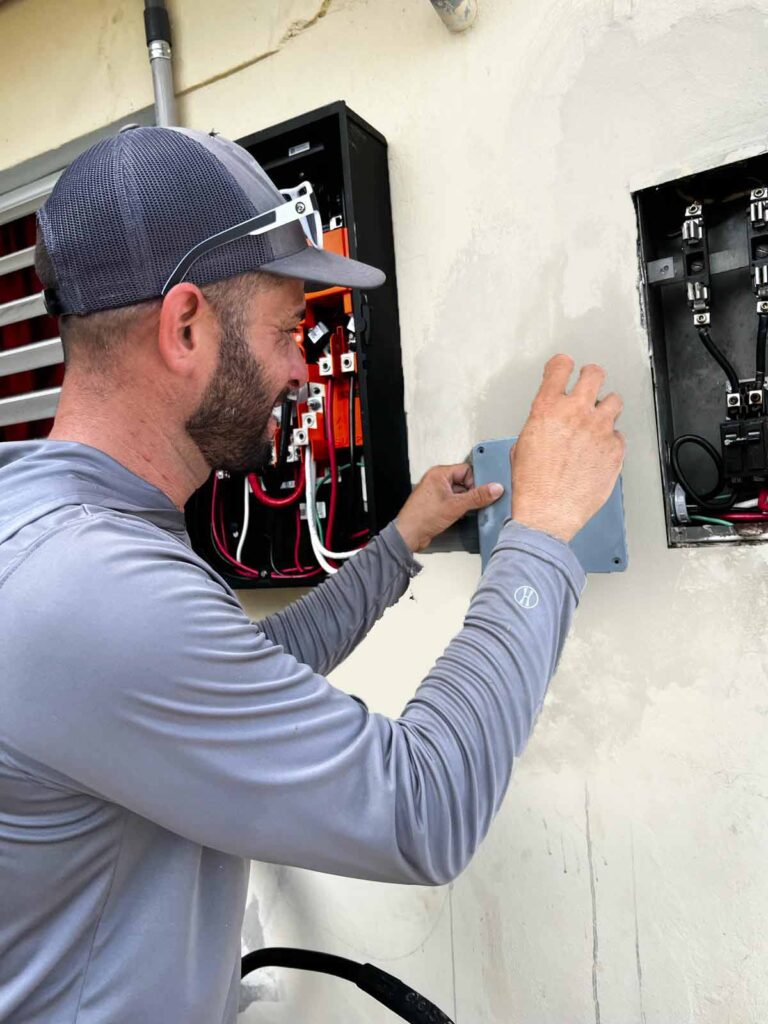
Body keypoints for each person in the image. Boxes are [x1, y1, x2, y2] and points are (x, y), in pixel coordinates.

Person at [0, 126, 624, 1024]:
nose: (303, 367)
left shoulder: (61, 528)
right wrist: (544, 529)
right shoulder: (93, 588)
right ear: (185, 327)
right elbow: (423, 809)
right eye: (288, 330)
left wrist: (400, 540)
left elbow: (246, 670)